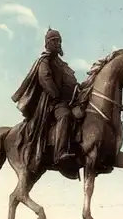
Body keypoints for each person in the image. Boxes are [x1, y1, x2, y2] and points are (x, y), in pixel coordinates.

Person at [12, 28, 79, 167]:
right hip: (53, 102)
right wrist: (57, 95)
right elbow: (45, 79)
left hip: (70, 101)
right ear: (47, 44)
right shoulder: (45, 61)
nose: (58, 43)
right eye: (54, 41)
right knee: (65, 116)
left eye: (59, 41)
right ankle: (60, 153)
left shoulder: (62, 64)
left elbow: (72, 81)